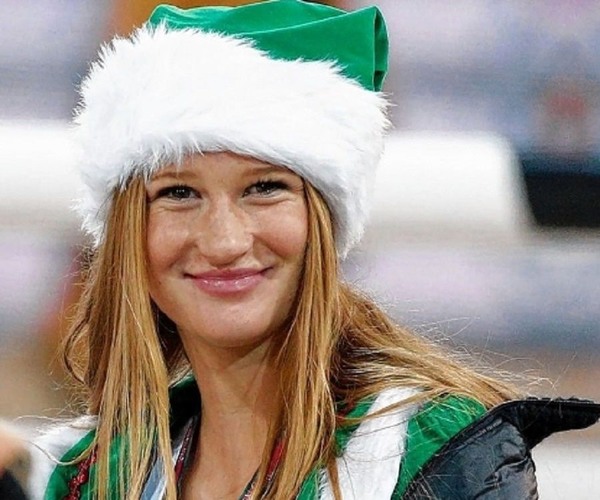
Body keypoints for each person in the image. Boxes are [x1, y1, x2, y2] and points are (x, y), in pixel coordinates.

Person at [2, 1, 599, 499]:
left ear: (324, 216)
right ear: (128, 232)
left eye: (265, 188)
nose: (225, 241)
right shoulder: (92, 474)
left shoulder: (429, 455)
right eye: (179, 193)